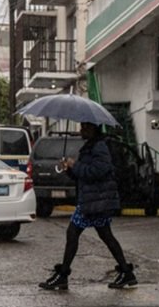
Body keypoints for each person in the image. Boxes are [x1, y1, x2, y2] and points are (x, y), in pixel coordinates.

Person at [38, 122, 137, 290]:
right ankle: (126, 272)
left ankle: (63, 275)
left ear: (93, 129)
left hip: (95, 201)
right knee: (105, 235)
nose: (81, 130)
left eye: (85, 127)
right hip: (93, 200)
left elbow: (97, 171)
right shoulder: (91, 146)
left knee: (73, 232)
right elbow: (82, 175)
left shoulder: (99, 147)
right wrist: (69, 169)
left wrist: (75, 165)